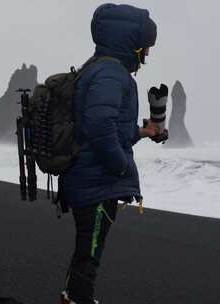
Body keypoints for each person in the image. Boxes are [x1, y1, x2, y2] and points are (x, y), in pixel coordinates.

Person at [59, 3, 161, 304]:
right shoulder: (111, 73)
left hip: (88, 176)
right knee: (89, 251)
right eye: (145, 47)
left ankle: (72, 296)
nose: (147, 54)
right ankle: (77, 299)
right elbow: (99, 124)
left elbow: (109, 128)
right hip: (96, 182)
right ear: (131, 43)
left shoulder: (99, 67)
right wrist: (118, 167)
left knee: (87, 250)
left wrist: (143, 132)